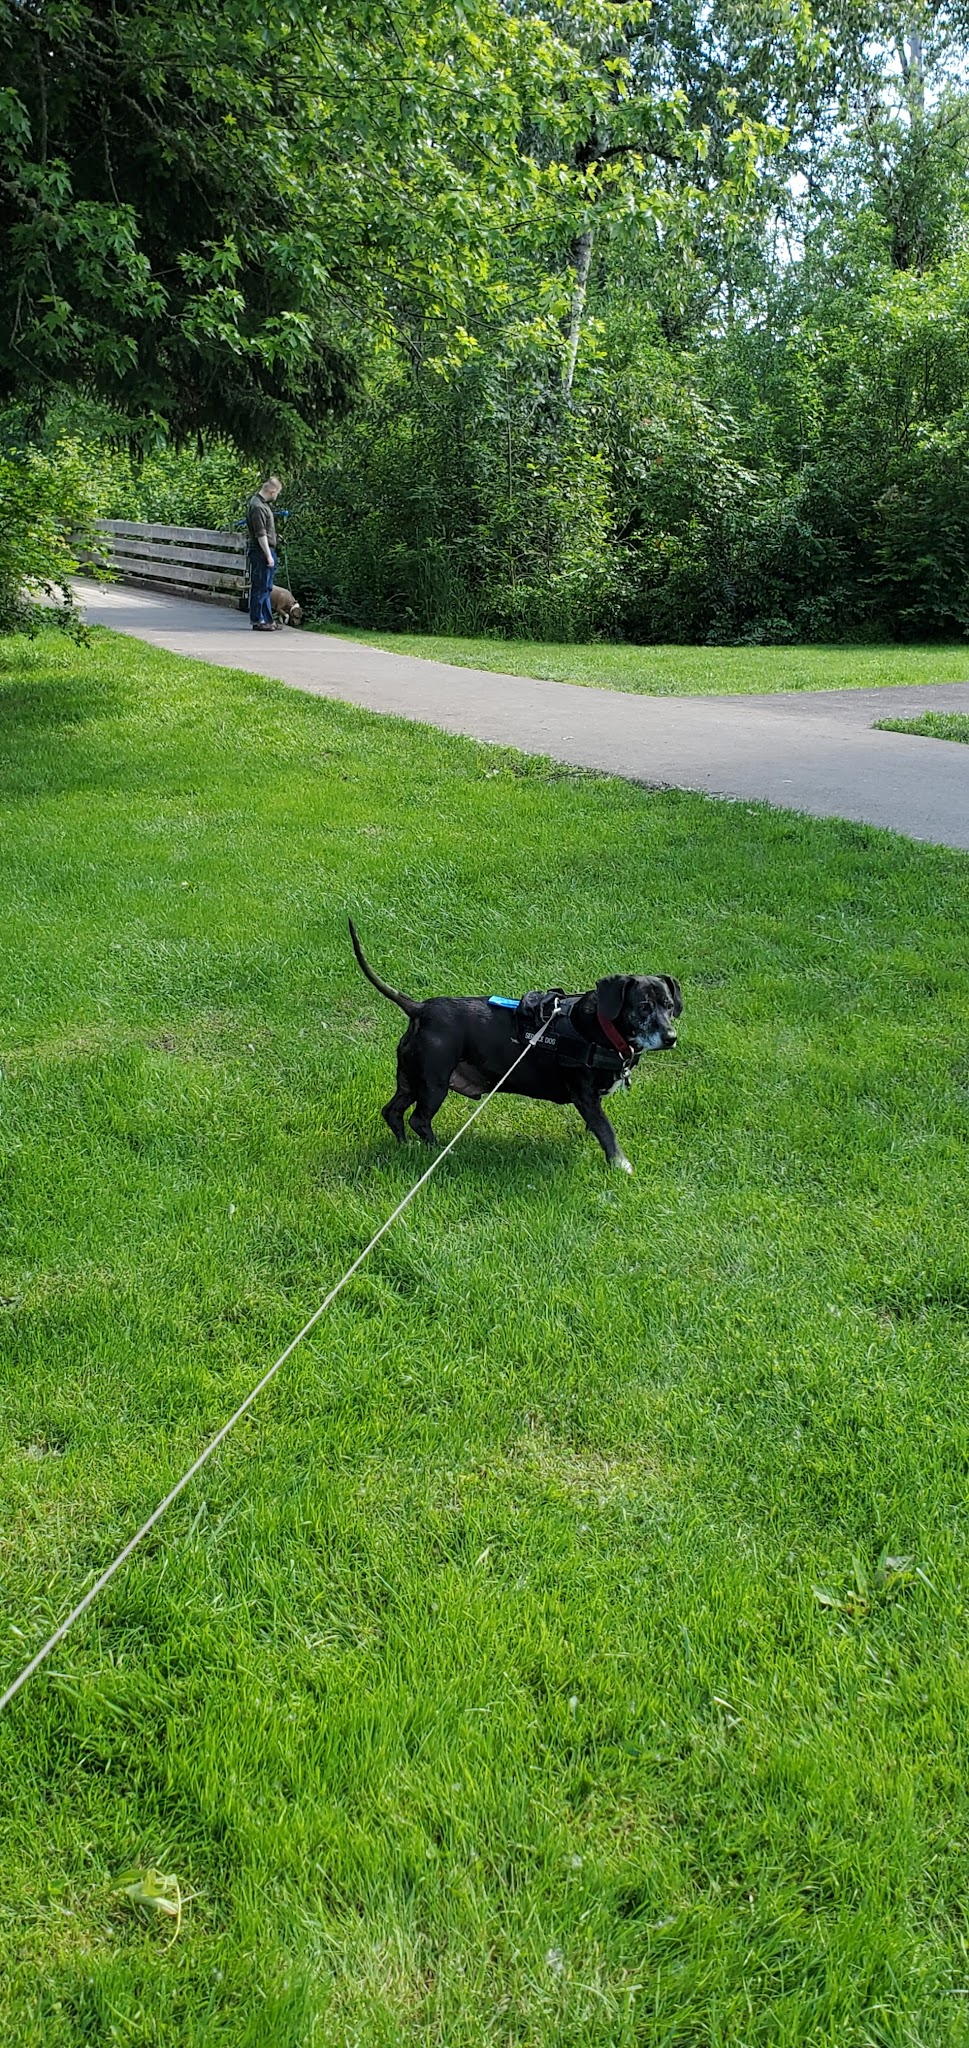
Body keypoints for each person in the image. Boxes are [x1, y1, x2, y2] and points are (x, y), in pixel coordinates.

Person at [246, 474, 282, 631]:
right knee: (261, 586)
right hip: (261, 551)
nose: (277, 496)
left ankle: (267, 619)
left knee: (266, 587)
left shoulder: (261, 504)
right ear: (272, 491)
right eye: (278, 493)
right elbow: (260, 534)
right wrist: (268, 555)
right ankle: (258, 619)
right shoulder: (258, 507)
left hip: (265, 548)